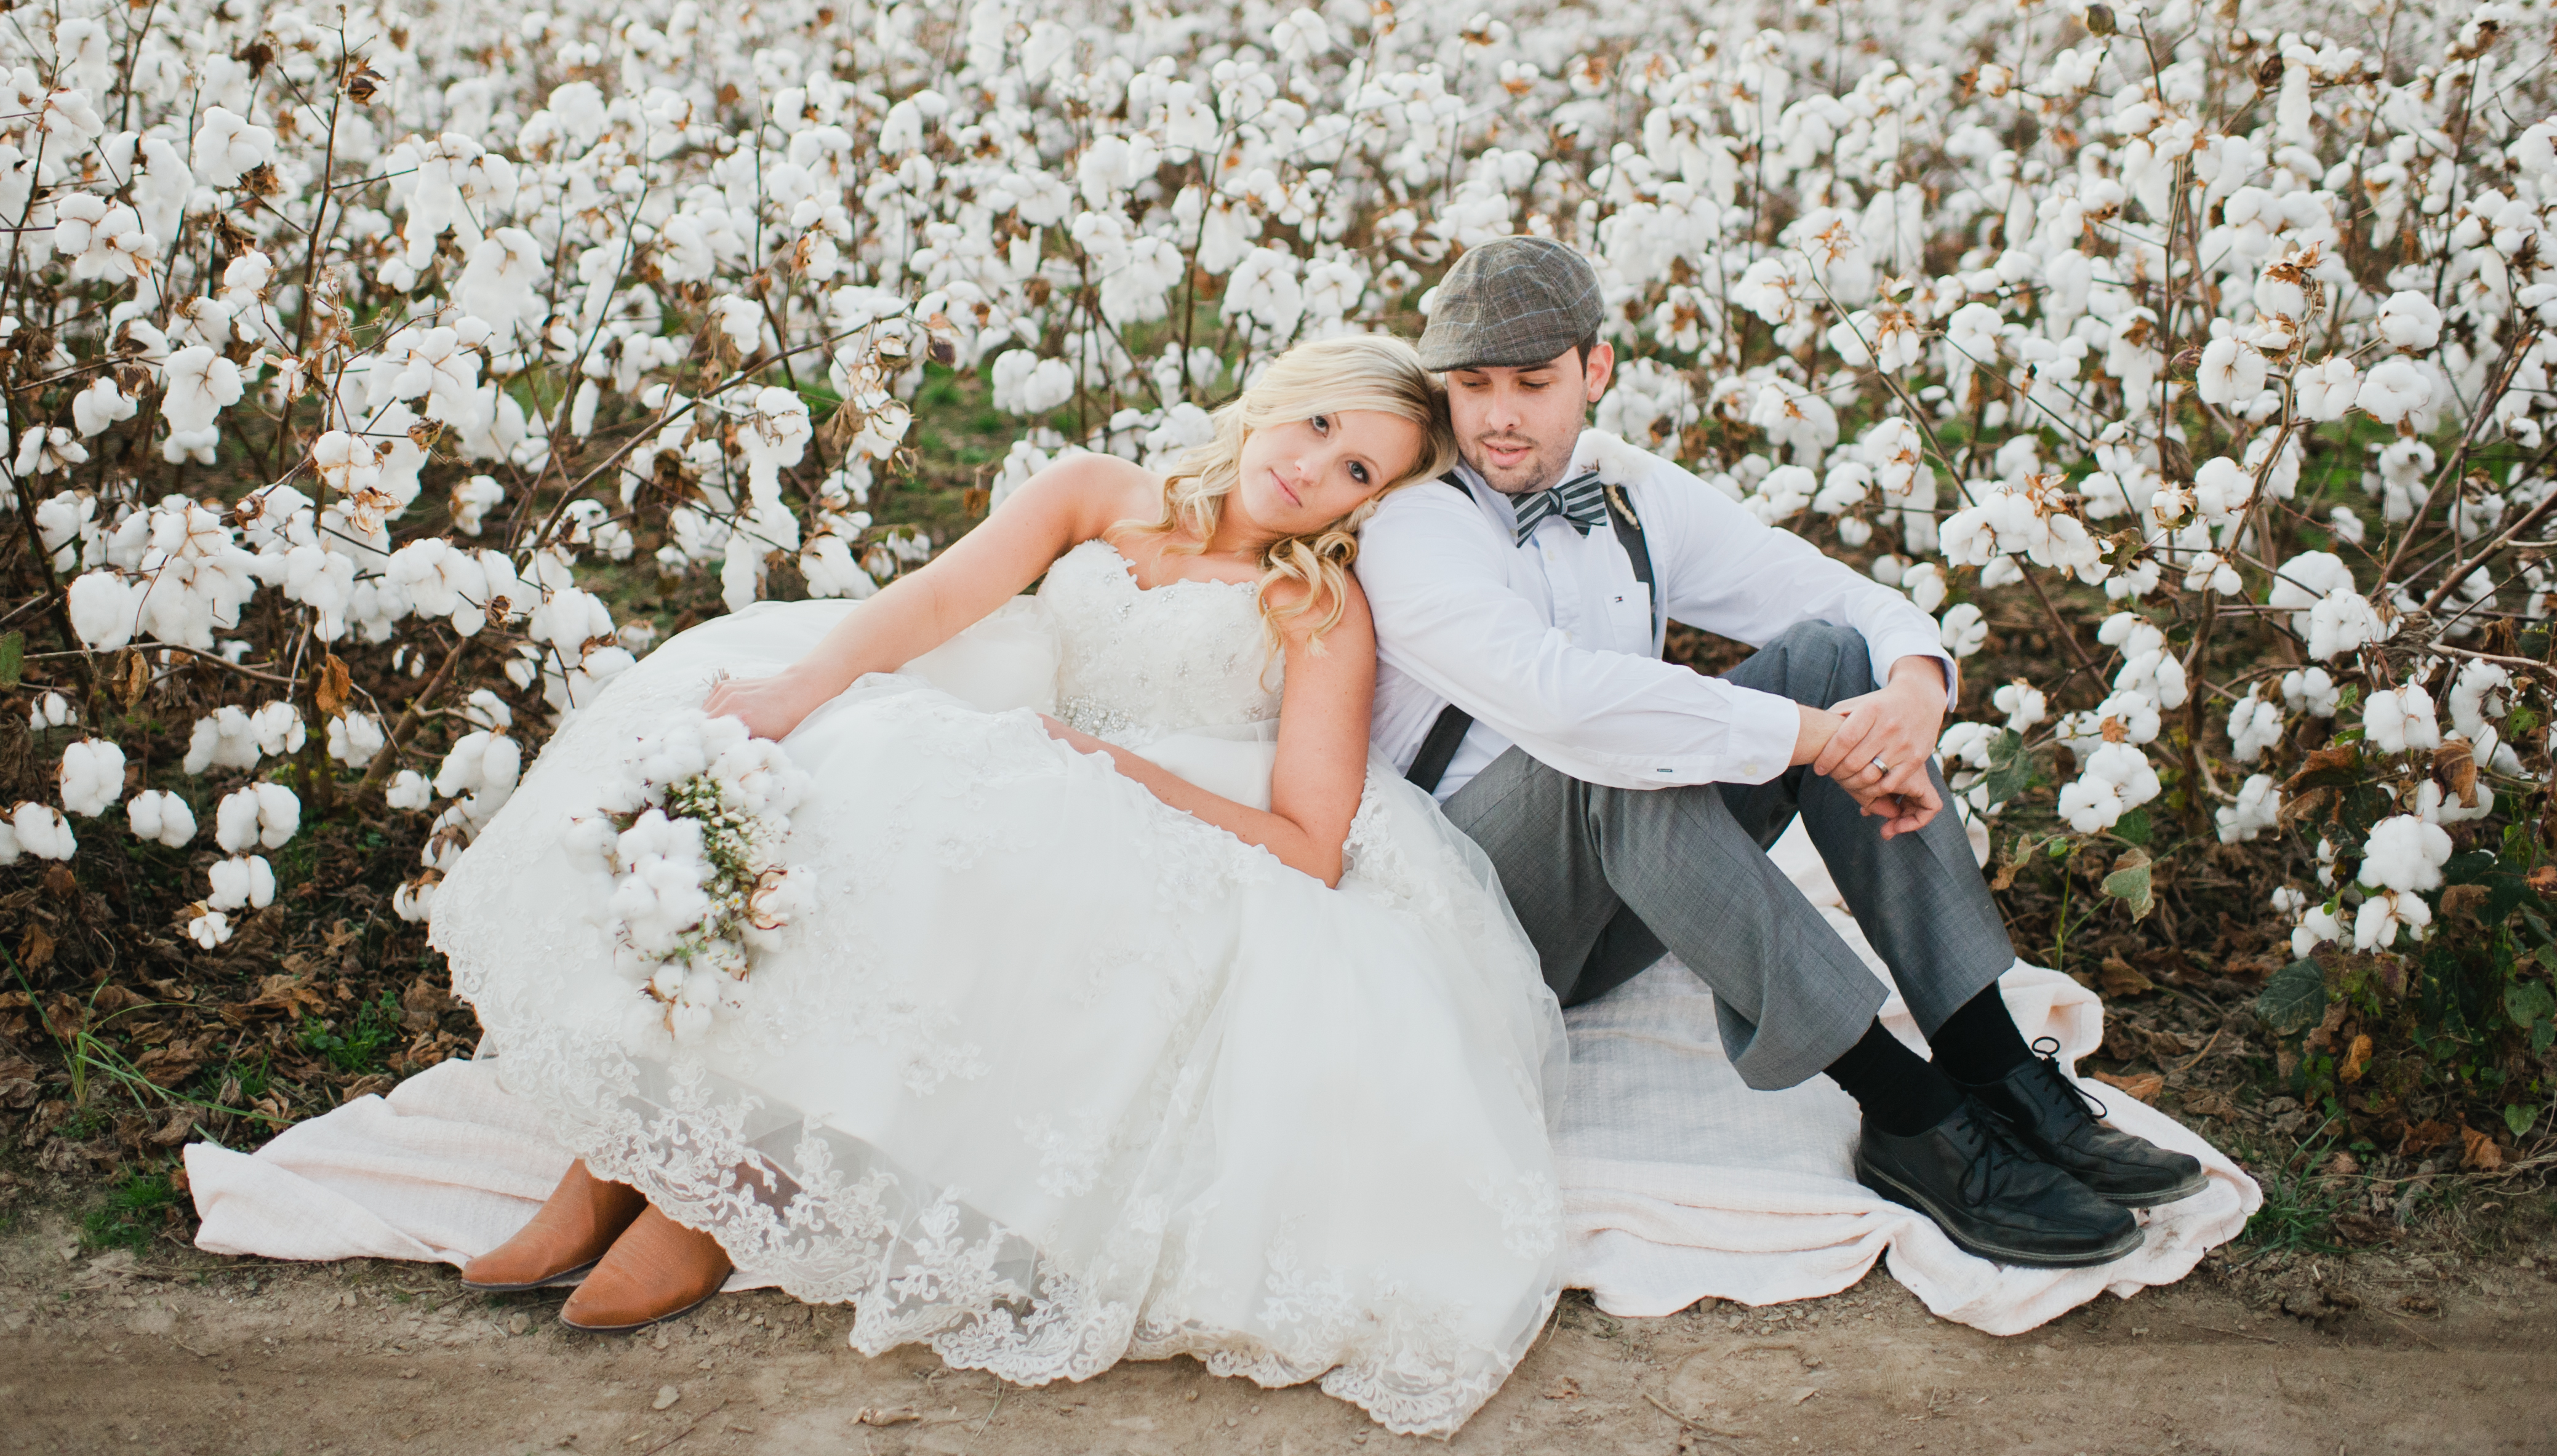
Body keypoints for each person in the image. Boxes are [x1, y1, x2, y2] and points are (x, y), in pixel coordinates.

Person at [428, 335, 1568, 1438]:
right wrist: (802, 690)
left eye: (1355, 470)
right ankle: (632, 1149)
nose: (1312, 467)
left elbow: (1313, 844)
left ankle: (717, 1188)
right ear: (1278, 398)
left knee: (978, 831)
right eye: (1318, 424)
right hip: (1013, 738)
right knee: (854, 759)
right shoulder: (1097, 488)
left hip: (1163, 818)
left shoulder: (1313, 604)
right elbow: (933, 602)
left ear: (1366, 507)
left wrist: (1118, 772)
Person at [1351, 237, 2203, 1271]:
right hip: (1476, 911)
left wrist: (1915, 690)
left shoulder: (1628, 488)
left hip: (1624, 901)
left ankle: (1990, 1065)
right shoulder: (1415, 525)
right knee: (1614, 749)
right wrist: (1811, 741)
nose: (1496, 416)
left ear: (1596, 371)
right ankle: (1911, 1113)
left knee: (1838, 657)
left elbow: (1832, 596)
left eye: (1532, 384)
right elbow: (1563, 704)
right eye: (1471, 384)